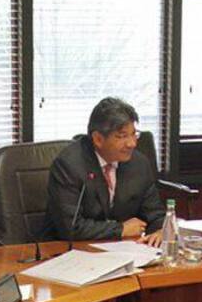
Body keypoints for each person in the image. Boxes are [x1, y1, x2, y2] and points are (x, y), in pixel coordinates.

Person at [45, 96, 165, 245]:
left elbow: (155, 214)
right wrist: (119, 229)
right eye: (122, 136)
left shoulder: (139, 163)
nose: (132, 143)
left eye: (134, 134)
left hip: (127, 251)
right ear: (98, 139)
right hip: (74, 252)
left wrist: (160, 230)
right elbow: (70, 227)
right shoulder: (69, 165)